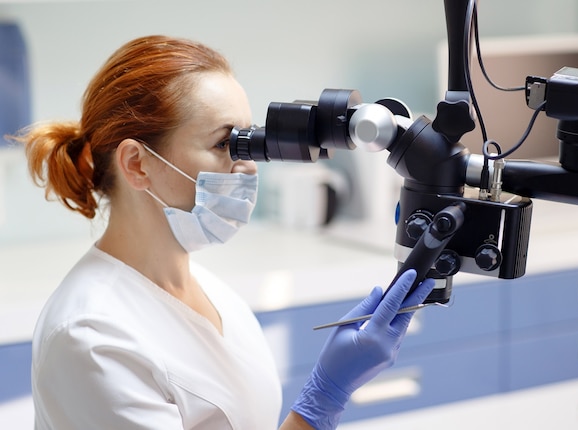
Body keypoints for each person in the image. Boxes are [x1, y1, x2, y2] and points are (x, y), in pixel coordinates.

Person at [11, 35, 435, 429]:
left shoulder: (206, 290)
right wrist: (323, 399)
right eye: (223, 145)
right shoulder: (92, 339)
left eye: (248, 142)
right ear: (137, 164)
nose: (248, 166)